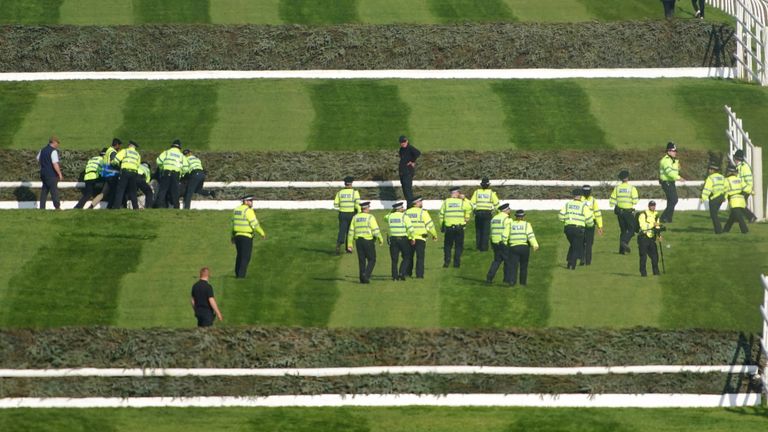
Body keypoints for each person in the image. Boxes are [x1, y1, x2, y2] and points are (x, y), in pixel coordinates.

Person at [347, 201, 384, 284]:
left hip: (358, 241)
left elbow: (351, 231)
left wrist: (349, 244)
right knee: (372, 259)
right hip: (368, 240)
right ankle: (366, 275)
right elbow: (375, 230)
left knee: (362, 260)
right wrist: (380, 238)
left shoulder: (355, 217)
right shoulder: (370, 217)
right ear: (366, 208)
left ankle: (362, 278)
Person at [232, 195, 266, 278]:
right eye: (250, 201)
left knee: (239, 255)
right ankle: (241, 275)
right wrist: (262, 233)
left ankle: (237, 273)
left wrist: (232, 236)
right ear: (245, 201)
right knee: (245, 256)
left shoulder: (236, 210)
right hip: (246, 236)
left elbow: (233, 224)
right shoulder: (248, 211)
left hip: (237, 236)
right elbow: (254, 224)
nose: (252, 202)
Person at [559, 189, 593, 270]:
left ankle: (569, 262)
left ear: (573, 195)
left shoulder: (567, 204)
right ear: (581, 196)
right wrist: (590, 225)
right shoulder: (583, 206)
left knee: (573, 245)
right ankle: (572, 265)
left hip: (568, 229)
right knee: (576, 246)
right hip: (578, 229)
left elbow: (560, 216)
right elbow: (589, 219)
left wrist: (566, 221)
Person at [405, 197, 438, 279]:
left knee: (409, 256)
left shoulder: (406, 212)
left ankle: (407, 273)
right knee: (420, 257)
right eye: (420, 201)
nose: (421, 203)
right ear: (416, 203)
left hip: (409, 237)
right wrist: (434, 235)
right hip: (420, 238)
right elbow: (430, 225)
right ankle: (419, 275)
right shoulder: (423, 212)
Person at [439, 186, 473, 268]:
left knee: (447, 246)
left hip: (449, 227)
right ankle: (456, 263)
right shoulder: (462, 202)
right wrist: (465, 199)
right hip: (459, 228)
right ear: (457, 193)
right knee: (458, 246)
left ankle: (447, 262)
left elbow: (441, 214)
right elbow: (471, 206)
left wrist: (441, 226)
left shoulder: (446, 202)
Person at [609, 170, 639, 255]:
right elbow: (635, 200)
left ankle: (621, 251)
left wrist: (613, 205)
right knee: (632, 229)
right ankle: (625, 242)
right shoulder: (631, 188)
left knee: (623, 230)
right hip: (628, 212)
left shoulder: (617, 188)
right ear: (627, 178)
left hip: (620, 212)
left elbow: (612, 200)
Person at [507, 209, 539, 286]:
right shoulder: (527, 224)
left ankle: (512, 281)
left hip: (513, 247)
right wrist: (535, 245)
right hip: (524, 247)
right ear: (523, 217)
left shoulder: (510, 224)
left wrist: (504, 244)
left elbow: (505, 236)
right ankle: (522, 282)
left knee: (513, 266)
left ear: (516, 217)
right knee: (523, 266)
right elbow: (530, 236)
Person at [385, 201, 414, 281]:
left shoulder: (390, 216)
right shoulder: (404, 217)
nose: (403, 209)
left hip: (393, 239)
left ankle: (394, 276)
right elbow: (410, 229)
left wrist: (392, 211)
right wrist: (412, 238)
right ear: (400, 209)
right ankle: (401, 272)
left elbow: (385, 217)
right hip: (403, 239)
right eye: (402, 207)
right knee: (407, 256)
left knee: (394, 259)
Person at [333, 176, 361, 255]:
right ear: (351, 183)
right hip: (351, 213)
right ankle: (349, 248)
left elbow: (335, 204)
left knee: (342, 230)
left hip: (342, 213)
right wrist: (359, 212)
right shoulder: (354, 192)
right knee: (350, 231)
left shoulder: (340, 193)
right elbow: (357, 204)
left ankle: (338, 244)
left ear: (345, 184)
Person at [470, 177, 499, 252]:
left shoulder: (477, 192)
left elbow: (472, 203)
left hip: (478, 213)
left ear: (481, 185)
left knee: (478, 231)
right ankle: (484, 248)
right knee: (486, 231)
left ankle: (478, 247)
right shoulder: (491, 193)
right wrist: (499, 212)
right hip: (487, 213)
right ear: (488, 185)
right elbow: (497, 204)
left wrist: (474, 210)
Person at [90, 139, 121, 208]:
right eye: (119, 146)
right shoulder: (113, 152)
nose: (120, 148)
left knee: (103, 193)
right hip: (112, 175)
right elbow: (114, 163)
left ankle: (91, 206)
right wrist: (120, 168)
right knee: (114, 192)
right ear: (117, 145)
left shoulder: (108, 151)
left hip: (107, 174)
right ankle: (109, 207)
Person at [111, 140, 141, 210]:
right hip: (134, 173)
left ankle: (116, 207)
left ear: (129, 145)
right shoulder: (137, 154)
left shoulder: (125, 151)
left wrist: (112, 164)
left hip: (125, 172)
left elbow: (116, 160)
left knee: (120, 190)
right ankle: (135, 207)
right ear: (134, 147)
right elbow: (138, 165)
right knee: (133, 191)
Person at [659, 142, 685, 223]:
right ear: (668, 151)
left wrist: (678, 167)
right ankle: (662, 218)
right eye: (673, 151)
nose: (675, 152)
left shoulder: (673, 160)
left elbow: (675, 170)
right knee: (674, 200)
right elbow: (669, 172)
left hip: (671, 182)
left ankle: (669, 218)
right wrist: (679, 178)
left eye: (675, 151)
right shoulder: (665, 160)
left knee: (671, 201)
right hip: (666, 182)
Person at [486, 203, 511, 285]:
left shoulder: (494, 219)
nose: (510, 210)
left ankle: (489, 277)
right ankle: (507, 279)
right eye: (509, 209)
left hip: (494, 242)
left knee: (497, 261)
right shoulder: (507, 220)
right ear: (505, 210)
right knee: (508, 261)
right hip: (503, 243)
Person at [154, 139, 184, 208]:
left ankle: (159, 206)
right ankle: (176, 207)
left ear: (172, 146)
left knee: (163, 190)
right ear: (179, 147)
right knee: (175, 191)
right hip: (176, 174)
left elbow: (158, 161)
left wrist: (162, 168)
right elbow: (185, 167)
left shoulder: (166, 152)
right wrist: (181, 174)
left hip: (166, 172)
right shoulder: (181, 155)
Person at [36, 135, 63, 210]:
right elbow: (55, 164)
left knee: (44, 191)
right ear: (53, 142)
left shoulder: (42, 150)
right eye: (57, 143)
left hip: (43, 173)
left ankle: (42, 208)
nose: (58, 144)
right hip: (51, 174)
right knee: (54, 190)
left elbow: (38, 158)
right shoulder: (53, 151)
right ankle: (57, 207)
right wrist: (59, 174)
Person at [637, 201, 662, 277]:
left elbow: (657, 227)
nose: (653, 207)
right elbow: (643, 226)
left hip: (652, 238)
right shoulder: (643, 214)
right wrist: (652, 224)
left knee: (655, 256)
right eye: (651, 205)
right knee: (643, 257)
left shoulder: (656, 215)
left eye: (654, 205)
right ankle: (643, 273)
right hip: (643, 238)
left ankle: (656, 272)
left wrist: (659, 235)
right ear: (649, 206)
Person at [580, 185, 603, 266]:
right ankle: (588, 261)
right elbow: (597, 213)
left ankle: (582, 259)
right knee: (589, 243)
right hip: (590, 223)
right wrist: (600, 226)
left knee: (582, 242)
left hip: (581, 223)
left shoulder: (579, 199)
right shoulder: (593, 200)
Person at [723, 165, 749, 234]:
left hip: (734, 200)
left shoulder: (727, 180)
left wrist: (724, 198)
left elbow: (725, 190)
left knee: (739, 217)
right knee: (732, 217)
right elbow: (746, 187)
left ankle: (745, 231)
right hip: (741, 200)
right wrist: (751, 192)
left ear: (729, 172)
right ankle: (725, 230)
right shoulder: (738, 179)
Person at [700, 164, 725, 234]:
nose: (709, 170)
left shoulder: (710, 178)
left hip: (714, 197)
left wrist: (703, 198)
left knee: (713, 215)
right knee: (715, 214)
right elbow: (726, 187)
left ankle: (719, 230)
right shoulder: (722, 177)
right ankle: (719, 230)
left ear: (712, 170)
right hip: (721, 197)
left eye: (710, 169)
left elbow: (707, 189)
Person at [733, 150, 757, 223]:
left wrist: (747, 189)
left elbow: (748, 180)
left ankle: (751, 217)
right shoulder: (739, 166)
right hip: (742, 189)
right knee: (739, 204)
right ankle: (738, 218)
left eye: (734, 158)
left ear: (737, 159)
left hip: (745, 189)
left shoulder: (744, 167)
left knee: (739, 204)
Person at [398, 135, 420, 204]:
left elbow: (418, 153)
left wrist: (412, 161)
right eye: (402, 142)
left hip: (408, 172)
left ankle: (410, 205)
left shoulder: (410, 148)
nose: (403, 143)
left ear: (407, 141)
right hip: (402, 172)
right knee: (405, 190)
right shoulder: (401, 149)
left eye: (404, 142)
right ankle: (409, 204)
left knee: (408, 190)